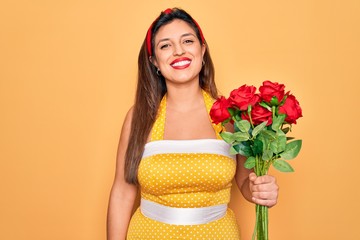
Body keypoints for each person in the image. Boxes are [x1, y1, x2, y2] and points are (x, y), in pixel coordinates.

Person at [107, 7, 279, 239]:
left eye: (187, 41)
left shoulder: (230, 116)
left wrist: (260, 190)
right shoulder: (139, 116)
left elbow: (245, 182)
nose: (178, 51)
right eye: (165, 45)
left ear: (202, 50)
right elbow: (122, 191)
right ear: (154, 61)